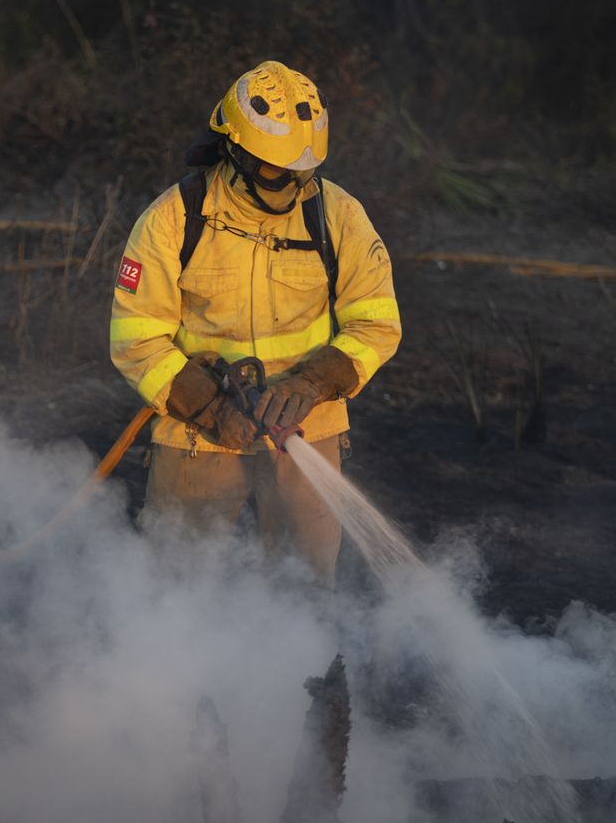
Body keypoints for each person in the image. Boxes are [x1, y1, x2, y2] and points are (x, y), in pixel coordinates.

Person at [109, 61, 401, 584]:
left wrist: (313, 383)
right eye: (275, 170)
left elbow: (376, 324)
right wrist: (210, 408)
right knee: (176, 587)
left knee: (306, 589)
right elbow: (137, 339)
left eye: (302, 170)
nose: (290, 184)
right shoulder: (174, 219)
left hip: (305, 431)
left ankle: (304, 667)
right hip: (196, 434)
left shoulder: (338, 217)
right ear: (236, 152)